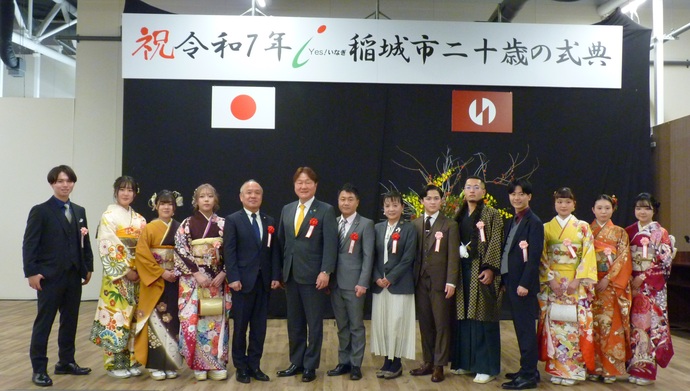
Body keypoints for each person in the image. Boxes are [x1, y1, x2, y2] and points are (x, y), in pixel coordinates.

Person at [23, 165, 94, 387]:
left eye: (69, 181)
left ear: (73, 183)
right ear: (52, 184)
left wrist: (88, 267)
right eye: (60, 181)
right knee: (44, 323)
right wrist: (32, 272)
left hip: (73, 276)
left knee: (70, 321)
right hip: (49, 277)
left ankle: (66, 362)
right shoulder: (41, 211)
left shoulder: (79, 211)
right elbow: (30, 244)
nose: (65, 185)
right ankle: (39, 369)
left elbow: (85, 243)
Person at [276, 167, 338, 382]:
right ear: (294, 186)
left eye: (308, 182)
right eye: (299, 182)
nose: (303, 186)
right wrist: (282, 270)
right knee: (294, 322)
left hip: (314, 277)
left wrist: (325, 271)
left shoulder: (325, 210)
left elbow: (331, 245)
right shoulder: (287, 209)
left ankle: (311, 365)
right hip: (291, 275)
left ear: (315, 185)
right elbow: (283, 243)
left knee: (314, 323)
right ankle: (297, 361)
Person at [538, 187, 597, 386]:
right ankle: (556, 368)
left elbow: (588, 254)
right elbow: (542, 255)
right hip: (553, 282)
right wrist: (550, 279)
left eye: (567, 202)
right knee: (555, 324)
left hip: (575, 283)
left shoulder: (583, 227)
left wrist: (578, 280)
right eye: (559, 202)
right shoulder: (546, 227)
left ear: (574, 204)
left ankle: (573, 371)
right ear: (555, 204)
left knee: (575, 324)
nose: (563, 205)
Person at [90, 176, 147, 379]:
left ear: (135, 193)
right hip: (118, 277)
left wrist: (141, 268)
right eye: (122, 189)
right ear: (116, 192)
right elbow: (107, 245)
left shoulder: (140, 219)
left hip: (137, 275)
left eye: (130, 190)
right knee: (116, 317)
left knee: (133, 319)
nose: (126, 193)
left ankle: (132, 360)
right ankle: (114, 364)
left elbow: (144, 247)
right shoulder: (109, 216)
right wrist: (126, 270)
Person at [223, 180, 280, 384]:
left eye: (257, 192)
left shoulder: (269, 220)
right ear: (241, 197)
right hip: (242, 283)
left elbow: (273, 252)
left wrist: (275, 276)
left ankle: (255, 365)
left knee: (259, 327)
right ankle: (241, 367)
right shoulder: (233, 220)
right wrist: (234, 277)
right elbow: (229, 252)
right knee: (240, 327)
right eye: (249, 192)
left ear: (261, 197)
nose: (253, 196)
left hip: (263, 282)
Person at [450, 176, 504, 384]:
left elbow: (496, 242)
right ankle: (466, 362)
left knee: (483, 317)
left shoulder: (492, 214)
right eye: (468, 187)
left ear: (483, 192)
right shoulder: (459, 213)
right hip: (462, 271)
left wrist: (490, 268)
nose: (472, 191)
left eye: (476, 187)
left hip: (481, 271)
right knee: (464, 317)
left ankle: (486, 366)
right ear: (464, 191)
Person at [174, 184, 230, 381]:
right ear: (196, 201)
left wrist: (224, 272)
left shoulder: (224, 224)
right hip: (194, 281)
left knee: (215, 320)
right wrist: (196, 273)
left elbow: (231, 252)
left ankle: (216, 363)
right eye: (202, 197)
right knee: (195, 321)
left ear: (216, 200)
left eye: (210, 196)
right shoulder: (187, 224)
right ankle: (199, 364)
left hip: (216, 280)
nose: (206, 200)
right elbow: (180, 250)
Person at [132, 190, 184, 380]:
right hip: (155, 279)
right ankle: (155, 364)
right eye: (162, 204)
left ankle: (171, 362)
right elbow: (142, 255)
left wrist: (176, 272)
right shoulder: (149, 228)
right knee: (155, 320)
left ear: (175, 207)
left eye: (170, 204)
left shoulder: (179, 227)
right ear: (156, 206)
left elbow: (185, 253)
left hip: (175, 280)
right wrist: (161, 272)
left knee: (174, 320)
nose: (166, 207)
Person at [410, 184, 459, 383]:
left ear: (441, 201)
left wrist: (451, 281)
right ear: (422, 201)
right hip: (420, 280)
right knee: (425, 323)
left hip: (440, 281)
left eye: (436, 198)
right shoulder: (415, 224)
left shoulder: (450, 225)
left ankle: (439, 365)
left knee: (441, 324)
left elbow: (453, 256)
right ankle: (427, 361)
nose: (432, 201)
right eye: (428, 198)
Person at [326, 183, 375, 381]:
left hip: (355, 284)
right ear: (338, 202)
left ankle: (356, 364)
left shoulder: (365, 224)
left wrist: (363, 282)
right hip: (335, 284)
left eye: (350, 199)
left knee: (356, 326)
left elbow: (368, 256)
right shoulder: (333, 222)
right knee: (341, 325)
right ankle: (343, 361)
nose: (346, 203)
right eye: (342, 199)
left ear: (357, 202)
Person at [625, 193, 674, 386]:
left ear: (654, 210)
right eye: (638, 208)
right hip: (632, 284)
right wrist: (629, 277)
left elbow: (665, 262)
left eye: (646, 208)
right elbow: (623, 258)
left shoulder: (660, 233)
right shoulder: (629, 231)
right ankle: (633, 367)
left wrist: (643, 278)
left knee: (650, 326)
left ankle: (646, 371)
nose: (642, 212)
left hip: (652, 288)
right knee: (633, 326)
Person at [500, 179, 544, 390]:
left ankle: (528, 375)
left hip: (523, 286)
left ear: (529, 196)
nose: (516, 198)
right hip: (511, 281)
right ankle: (528, 369)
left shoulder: (533, 222)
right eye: (513, 194)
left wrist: (525, 283)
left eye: (521, 194)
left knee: (526, 330)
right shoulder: (512, 220)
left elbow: (534, 257)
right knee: (520, 328)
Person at [370, 190, 417, 380]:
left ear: (402, 207)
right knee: (383, 323)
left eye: (395, 205)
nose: (391, 209)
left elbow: (408, 258)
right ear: (383, 208)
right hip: (379, 285)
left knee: (397, 323)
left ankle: (396, 362)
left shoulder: (409, 228)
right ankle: (386, 361)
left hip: (399, 284)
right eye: (387, 205)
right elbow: (370, 256)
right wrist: (376, 277)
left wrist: (390, 277)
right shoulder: (377, 228)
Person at [588, 194, 632, 384]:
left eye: (607, 208)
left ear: (612, 209)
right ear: (593, 210)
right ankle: (592, 367)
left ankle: (610, 369)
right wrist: (587, 278)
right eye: (599, 208)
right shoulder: (586, 230)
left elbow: (623, 258)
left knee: (610, 327)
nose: (603, 211)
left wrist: (608, 278)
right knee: (591, 326)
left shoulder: (619, 232)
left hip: (610, 286)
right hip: (589, 284)